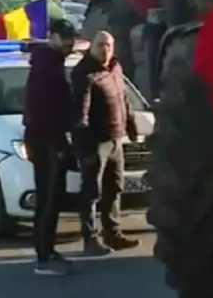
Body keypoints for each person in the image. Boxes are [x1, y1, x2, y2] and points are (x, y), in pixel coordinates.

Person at [71, 30, 140, 256]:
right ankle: (90, 239)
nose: (105, 49)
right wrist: (84, 148)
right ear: (92, 47)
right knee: (92, 191)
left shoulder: (115, 69)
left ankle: (113, 233)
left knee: (115, 187)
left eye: (109, 45)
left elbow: (124, 100)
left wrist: (131, 127)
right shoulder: (84, 73)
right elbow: (80, 114)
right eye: (100, 45)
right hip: (95, 142)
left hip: (115, 140)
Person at [23, 19, 77, 276]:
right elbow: (46, 111)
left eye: (71, 38)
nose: (69, 43)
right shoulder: (47, 68)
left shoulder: (50, 64)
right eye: (64, 38)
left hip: (45, 140)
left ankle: (47, 250)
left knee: (51, 199)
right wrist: (57, 144)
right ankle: (44, 257)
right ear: (52, 37)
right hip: (47, 143)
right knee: (48, 199)